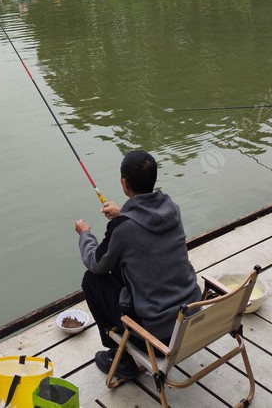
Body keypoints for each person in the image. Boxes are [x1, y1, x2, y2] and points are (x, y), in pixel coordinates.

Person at [74, 150, 200, 381]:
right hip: (191, 315)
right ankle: (122, 350)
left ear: (124, 183)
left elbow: (96, 263)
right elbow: (143, 230)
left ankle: (122, 357)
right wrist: (123, 213)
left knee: (92, 280)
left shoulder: (123, 229)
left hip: (157, 332)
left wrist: (85, 235)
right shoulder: (171, 208)